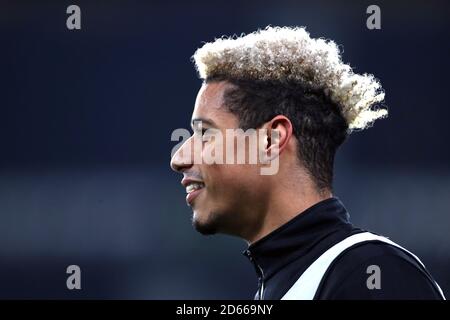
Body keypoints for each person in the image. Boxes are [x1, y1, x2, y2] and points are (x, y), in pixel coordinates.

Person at [170, 26, 445, 300]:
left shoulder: (374, 274)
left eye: (205, 133)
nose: (179, 158)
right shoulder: (283, 287)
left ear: (271, 140)